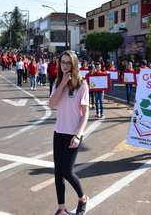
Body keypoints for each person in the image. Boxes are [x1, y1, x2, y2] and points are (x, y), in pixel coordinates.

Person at [49, 50, 89, 215]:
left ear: (74, 64)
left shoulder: (82, 85)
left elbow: (85, 112)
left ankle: (82, 197)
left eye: (68, 63)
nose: (65, 66)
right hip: (59, 132)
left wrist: (78, 135)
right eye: (62, 63)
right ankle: (61, 208)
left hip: (73, 133)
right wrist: (62, 85)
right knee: (58, 172)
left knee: (67, 170)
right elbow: (51, 105)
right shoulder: (57, 83)